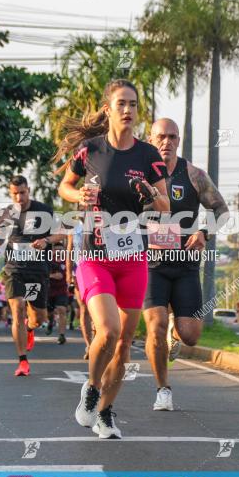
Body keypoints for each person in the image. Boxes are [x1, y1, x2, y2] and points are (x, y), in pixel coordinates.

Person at [56, 79, 170, 438]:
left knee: (123, 345)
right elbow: (64, 186)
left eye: (134, 104)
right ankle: (91, 389)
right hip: (94, 252)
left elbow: (165, 206)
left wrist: (149, 191)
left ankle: (106, 413)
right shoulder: (90, 151)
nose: (128, 110)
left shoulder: (148, 156)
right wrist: (79, 198)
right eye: (121, 103)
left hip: (132, 254)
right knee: (108, 330)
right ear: (109, 109)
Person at [142, 118, 230, 411]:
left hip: (185, 264)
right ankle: (162, 389)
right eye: (160, 137)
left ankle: (176, 334)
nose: (166, 142)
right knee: (155, 325)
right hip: (151, 265)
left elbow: (221, 210)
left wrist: (203, 232)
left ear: (178, 141)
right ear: (150, 140)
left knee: (191, 336)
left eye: (172, 137)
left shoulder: (193, 175)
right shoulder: (139, 176)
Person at [0, 175, 65, 377]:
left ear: (28, 190)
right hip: (14, 268)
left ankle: (30, 328)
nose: (19, 198)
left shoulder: (44, 210)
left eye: (22, 193)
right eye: (15, 194)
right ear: (10, 193)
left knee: (38, 318)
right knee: (18, 308)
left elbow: (61, 234)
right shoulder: (6, 213)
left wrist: (46, 240)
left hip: (38, 269)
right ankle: (23, 361)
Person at [66, 220, 93, 360]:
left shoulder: (100, 219)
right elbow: (70, 251)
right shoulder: (74, 227)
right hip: (79, 271)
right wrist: (69, 276)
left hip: (98, 268)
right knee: (85, 309)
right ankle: (90, 344)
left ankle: (100, 340)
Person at [46, 241, 69, 345]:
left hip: (62, 290)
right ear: (53, 251)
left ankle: (62, 335)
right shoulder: (49, 261)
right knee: (48, 312)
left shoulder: (67, 261)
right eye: (56, 250)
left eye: (61, 250)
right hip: (49, 291)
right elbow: (44, 274)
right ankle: (50, 322)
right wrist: (53, 276)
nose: (58, 251)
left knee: (62, 310)